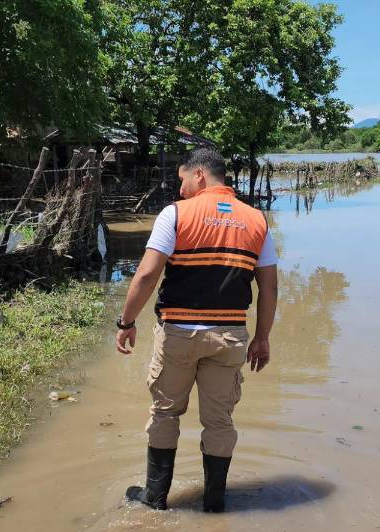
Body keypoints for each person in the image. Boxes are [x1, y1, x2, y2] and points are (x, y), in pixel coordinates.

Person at [115, 147, 278, 513]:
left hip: (179, 334)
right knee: (219, 420)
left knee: (165, 412)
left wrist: (126, 322)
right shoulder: (257, 221)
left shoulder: (174, 214)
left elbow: (146, 275)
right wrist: (262, 337)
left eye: (183, 179)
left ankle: (155, 498)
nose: (182, 187)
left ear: (199, 174)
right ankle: (215, 503)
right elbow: (268, 287)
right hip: (230, 336)